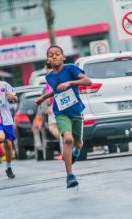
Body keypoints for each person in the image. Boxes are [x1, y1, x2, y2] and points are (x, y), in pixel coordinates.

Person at [34, 45, 92, 188]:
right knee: (67, 139)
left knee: (78, 143)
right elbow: (56, 91)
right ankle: (70, 176)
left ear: (63, 57)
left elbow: (87, 81)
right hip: (60, 112)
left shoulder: (71, 68)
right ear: (48, 60)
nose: (54, 56)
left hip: (76, 110)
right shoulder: (49, 76)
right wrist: (43, 97)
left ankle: (76, 152)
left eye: (57, 54)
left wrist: (70, 82)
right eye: (51, 55)